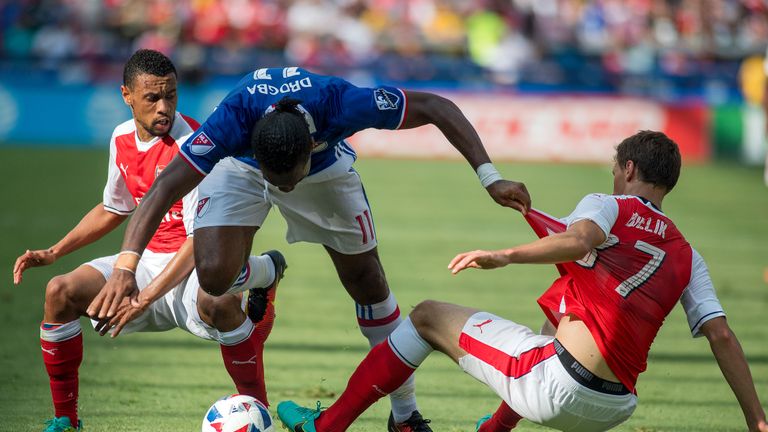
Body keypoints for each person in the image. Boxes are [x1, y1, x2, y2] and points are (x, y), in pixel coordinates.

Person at [87, 66, 531, 431]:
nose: (282, 190)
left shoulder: (341, 104)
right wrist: (126, 268)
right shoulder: (233, 121)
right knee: (214, 279)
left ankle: (405, 416)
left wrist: (490, 176)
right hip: (239, 168)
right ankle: (264, 272)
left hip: (324, 174)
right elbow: (164, 187)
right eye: (276, 180)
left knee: (368, 283)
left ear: (310, 148)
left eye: (287, 181)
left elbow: (437, 106)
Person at [276, 131, 768, 432]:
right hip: (615, 409)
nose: (614, 176)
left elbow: (578, 241)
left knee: (426, 316)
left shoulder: (609, 205)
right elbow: (721, 335)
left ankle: (328, 426)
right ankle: (494, 428)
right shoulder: (687, 254)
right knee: (563, 300)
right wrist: (756, 420)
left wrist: (503, 255)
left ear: (629, 169)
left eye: (616, 169)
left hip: (557, 388)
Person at [12, 49, 286, 432]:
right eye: (152, 98)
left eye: (170, 96)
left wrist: (144, 297)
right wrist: (55, 251)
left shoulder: (195, 146)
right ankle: (65, 421)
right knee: (60, 291)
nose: (164, 107)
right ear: (127, 95)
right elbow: (114, 207)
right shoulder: (121, 137)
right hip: (141, 263)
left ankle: (260, 409)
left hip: (189, 264)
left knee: (219, 301)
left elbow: (197, 243)